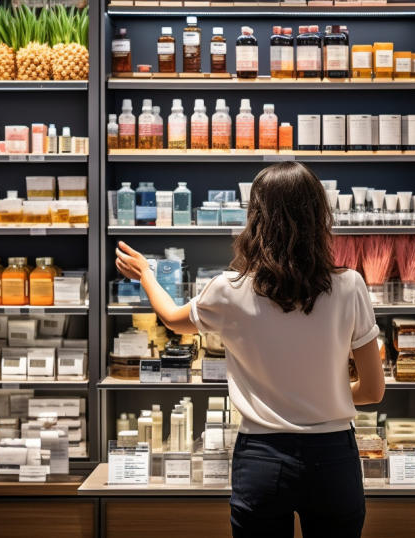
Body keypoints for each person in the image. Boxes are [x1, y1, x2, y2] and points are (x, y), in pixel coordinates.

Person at [115, 161, 385, 537]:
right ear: (318, 216)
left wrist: (147, 274)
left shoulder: (229, 288)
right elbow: (373, 390)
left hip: (262, 458)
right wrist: (325, 396)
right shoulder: (350, 285)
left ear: (256, 218)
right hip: (333, 458)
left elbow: (174, 319)